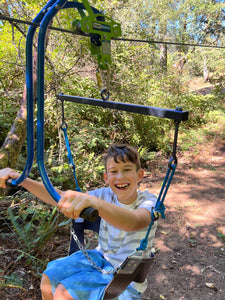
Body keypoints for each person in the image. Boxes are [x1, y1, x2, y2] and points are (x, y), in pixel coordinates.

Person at [0, 144, 157, 300]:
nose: (120, 176)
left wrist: (97, 204)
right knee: (48, 279)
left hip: (126, 278)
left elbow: (135, 221)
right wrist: (22, 180)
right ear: (106, 178)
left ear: (140, 175)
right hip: (100, 259)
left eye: (127, 169)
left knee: (64, 294)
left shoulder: (149, 202)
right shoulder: (104, 195)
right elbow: (60, 198)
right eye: (114, 171)